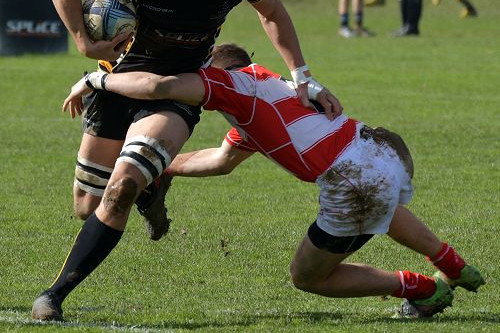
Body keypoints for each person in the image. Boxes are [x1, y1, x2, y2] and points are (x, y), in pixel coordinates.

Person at [31, 0, 341, 321]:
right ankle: (154, 185)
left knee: (121, 190)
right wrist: (84, 44)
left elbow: (272, 13)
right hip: (117, 84)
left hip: (179, 90)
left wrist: (302, 76)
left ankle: (53, 296)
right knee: (88, 205)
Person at [62, 42, 486, 319]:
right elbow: (220, 160)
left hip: (352, 177)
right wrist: (163, 166)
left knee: (308, 277)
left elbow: (158, 86)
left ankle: (422, 290)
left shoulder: (230, 86)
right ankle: (453, 265)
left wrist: (96, 79)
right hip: (381, 149)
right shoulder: (266, 89)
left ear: (215, 71)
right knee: (381, 206)